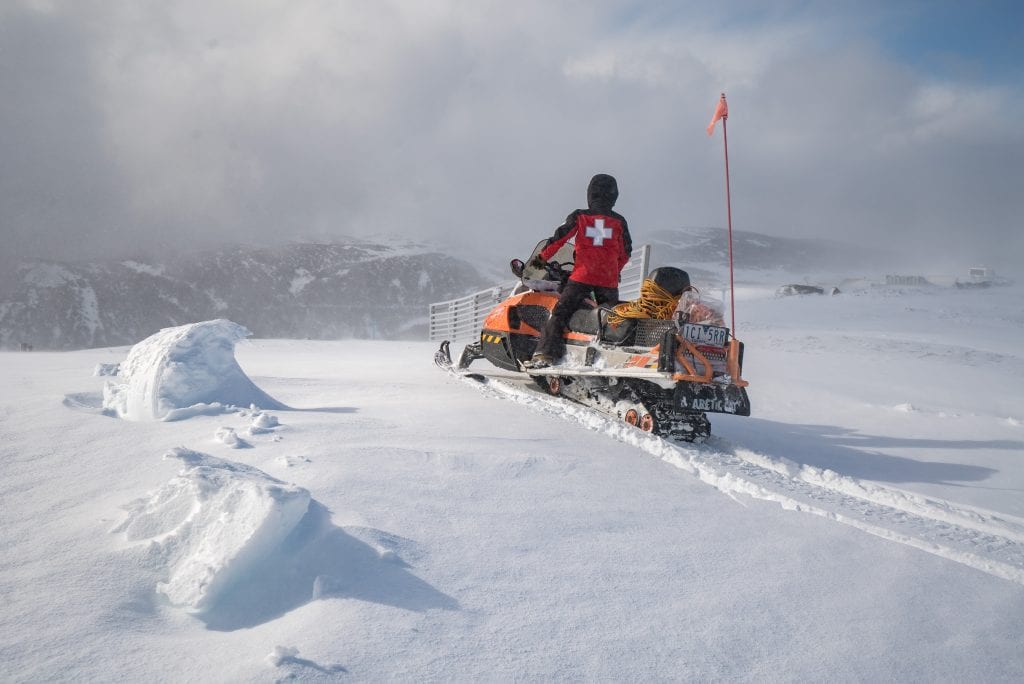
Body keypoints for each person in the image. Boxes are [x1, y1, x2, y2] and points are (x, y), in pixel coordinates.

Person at [526, 173, 632, 368]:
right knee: (610, 321)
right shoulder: (619, 221)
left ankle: (545, 355)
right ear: (614, 195)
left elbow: (558, 240)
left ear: (590, 193)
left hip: (581, 278)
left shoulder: (581, 216)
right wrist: (614, 270)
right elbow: (626, 252)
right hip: (608, 282)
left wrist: (538, 262)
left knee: (560, 313)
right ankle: (615, 361)